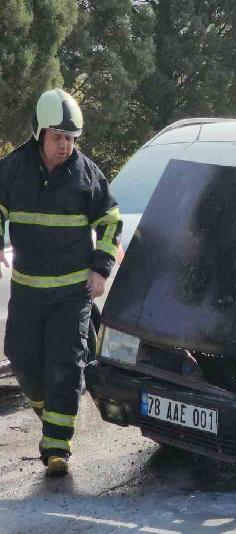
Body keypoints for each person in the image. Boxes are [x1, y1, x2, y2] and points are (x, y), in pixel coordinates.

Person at [0, 88, 122, 477]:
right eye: (58, 138)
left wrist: (100, 269)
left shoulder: (87, 174)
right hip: (28, 290)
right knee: (20, 355)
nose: (65, 146)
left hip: (72, 294)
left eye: (71, 139)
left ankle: (57, 450)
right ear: (40, 134)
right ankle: (49, 409)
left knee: (65, 367)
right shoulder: (13, 169)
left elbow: (109, 221)